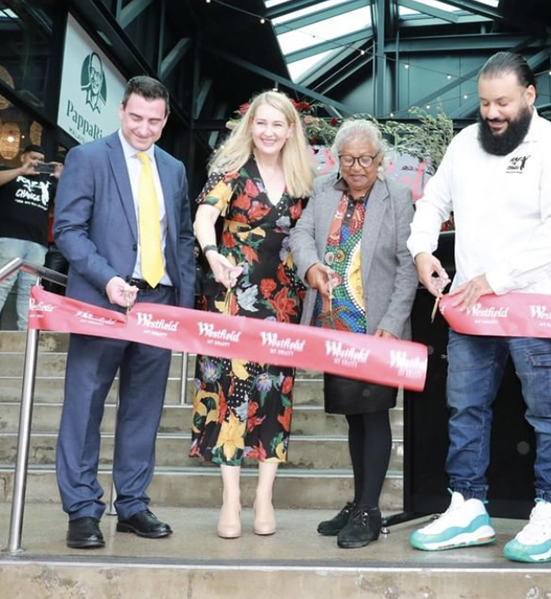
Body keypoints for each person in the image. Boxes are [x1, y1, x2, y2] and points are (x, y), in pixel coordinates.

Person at [406, 52, 551, 563]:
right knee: (464, 406)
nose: (492, 113)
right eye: (485, 103)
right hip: (471, 306)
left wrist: (496, 279)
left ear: (530, 95)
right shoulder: (465, 144)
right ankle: (467, 506)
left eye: (503, 102)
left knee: (547, 411)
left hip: (533, 302)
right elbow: (432, 202)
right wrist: (422, 250)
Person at [53, 76, 195, 549]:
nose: (144, 128)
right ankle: (82, 510)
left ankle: (132, 504)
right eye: (136, 117)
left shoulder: (174, 169)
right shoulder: (88, 158)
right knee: (84, 405)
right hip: (102, 301)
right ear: (120, 111)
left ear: (165, 120)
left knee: (144, 409)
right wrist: (107, 278)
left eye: (154, 121)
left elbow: (181, 238)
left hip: (158, 302)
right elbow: (68, 230)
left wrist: (183, 307)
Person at [190, 90, 315, 539]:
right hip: (231, 297)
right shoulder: (231, 172)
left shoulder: (304, 180)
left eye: (277, 124)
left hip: (282, 302)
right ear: (250, 126)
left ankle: (264, 496)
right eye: (261, 123)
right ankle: (230, 498)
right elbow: (203, 218)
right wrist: (212, 254)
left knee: (275, 395)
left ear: (290, 130)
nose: (268, 132)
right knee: (230, 395)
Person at [290, 119, 416, 549]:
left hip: (377, 327)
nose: (357, 167)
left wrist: (392, 324)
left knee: (375, 413)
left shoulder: (397, 196)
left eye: (365, 159)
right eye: (348, 159)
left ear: (380, 160)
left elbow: (407, 266)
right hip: (336, 324)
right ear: (337, 159)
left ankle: (369, 511)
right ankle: (361, 502)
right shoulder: (323, 189)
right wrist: (310, 266)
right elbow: (301, 233)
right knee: (353, 415)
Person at [0, 144, 62, 329]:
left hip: (37, 243)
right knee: (3, 284)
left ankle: (24, 338)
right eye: (33, 158)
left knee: (29, 291)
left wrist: (62, 179)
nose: (36, 162)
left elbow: (63, 206)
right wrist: (21, 170)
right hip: (10, 237)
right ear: (23, 157)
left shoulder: (49, 183)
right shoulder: (11, 173)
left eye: (41, 160)